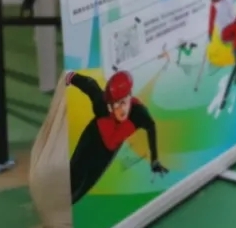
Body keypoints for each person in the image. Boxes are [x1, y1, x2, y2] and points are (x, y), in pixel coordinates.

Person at [65, 70, 167, 203]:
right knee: (72, 176)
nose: (121, 109)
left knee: (79, 192)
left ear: (130, 96)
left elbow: (151, 128)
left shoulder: (139, 113)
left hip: (107, 152)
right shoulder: (101, 105)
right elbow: (90, 85)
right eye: (116, 104)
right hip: (92, 138)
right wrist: (69, 77)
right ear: (109, 106)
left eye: (124, 102)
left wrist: (154, 160)